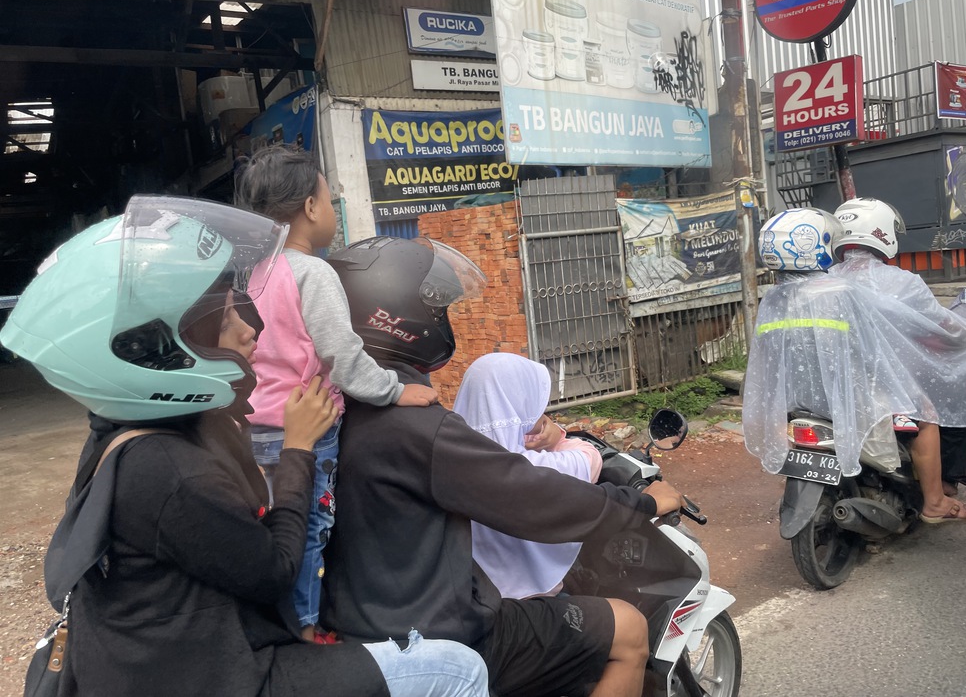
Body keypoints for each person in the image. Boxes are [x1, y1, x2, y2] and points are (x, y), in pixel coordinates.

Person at [0, 196, 489, 697]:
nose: (247, 329)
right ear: (151, 349)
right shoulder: (166, 470)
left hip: (179, 654)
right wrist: (298, 447)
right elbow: (276, 571)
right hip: (217, 674)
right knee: (459, 670)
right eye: (221, 320)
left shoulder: (132, 428)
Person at [320, 236, 685, 697]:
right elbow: (533, 497)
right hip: (440, 633)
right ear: (402, 319)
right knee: (628, 629)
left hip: (363, 622)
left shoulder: (337, 409)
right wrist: (641, 504)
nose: (443, 320)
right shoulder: (416, 426)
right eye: (438, 310)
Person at [233, 145, 439, 641]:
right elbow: (340, 355)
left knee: (274, 521)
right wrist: (393, 391)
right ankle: (304, 628)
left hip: (258, 426)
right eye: (328, 199)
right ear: (310, 207)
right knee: (310, 527)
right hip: (309, 425)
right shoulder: (313, 272)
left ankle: (274, 619)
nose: (331, 209)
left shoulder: (255, 273)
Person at [743, 207, 966, 523]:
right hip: (850, 391)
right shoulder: (845, 291)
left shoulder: (775, 298)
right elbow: (878, 345)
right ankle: (934, 502)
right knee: (926, 415)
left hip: (797, 396)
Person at [829, 197, 966, 515]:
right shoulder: (902, 282)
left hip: (830, 386)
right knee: (927, 414)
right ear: (883, 233)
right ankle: (936, 501)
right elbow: (941, 323)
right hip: (880, 385)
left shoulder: (825, 279)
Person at [452, 352, 602, 600]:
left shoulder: (450, 456)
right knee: (629, 618)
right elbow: (590, 460)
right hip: (528, 599)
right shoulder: (526, 466)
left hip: (469, 594)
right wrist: (556, 436)